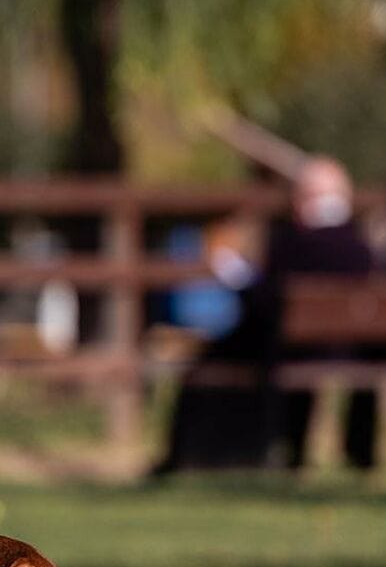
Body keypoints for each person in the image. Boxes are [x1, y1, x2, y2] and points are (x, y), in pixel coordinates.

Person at [156, 156, 374, 472]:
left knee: (215, 358)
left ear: (305, 197)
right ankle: (350, 455)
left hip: (288, 349)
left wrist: (237, 277)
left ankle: (195, 454)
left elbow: (264, 302)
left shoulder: (291, 244)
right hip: (349, 350)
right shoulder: (361, 247)